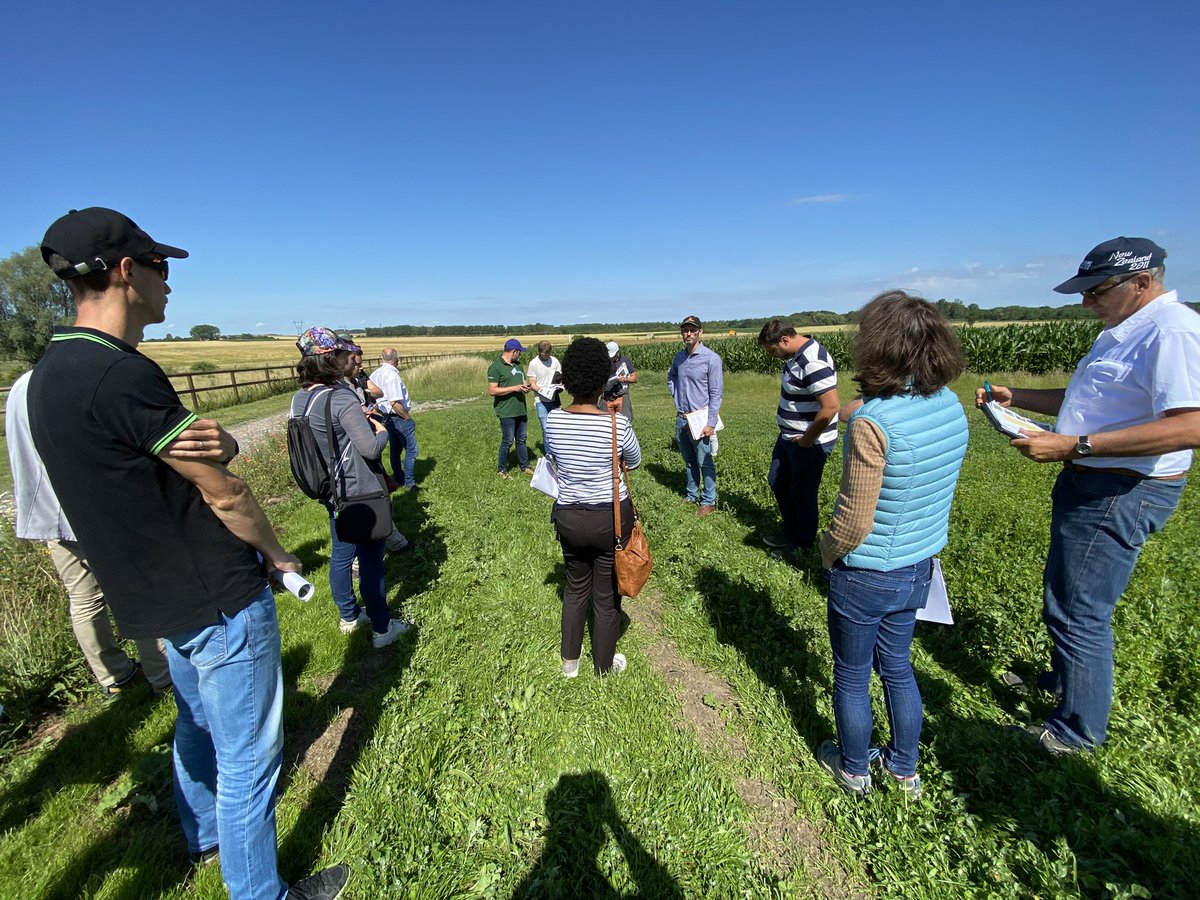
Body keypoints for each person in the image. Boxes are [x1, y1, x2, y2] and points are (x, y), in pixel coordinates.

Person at [29, 207, 347, 899]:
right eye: (159, 266)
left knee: (196, 723)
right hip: (215, 591)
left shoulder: (48, 375)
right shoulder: (121, 374)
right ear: (125, 271)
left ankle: (204, 834)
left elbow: (190, 451)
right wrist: (279, 555)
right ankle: (262, 892)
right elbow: (223, 490)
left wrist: (221, 442)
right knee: (249, 758)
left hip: (150, 595)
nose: (168, 282)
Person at [977, 237, 1200, 755]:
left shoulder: (1173, 333)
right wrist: (1020, 398)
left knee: (1078, 608)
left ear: (1142, 282)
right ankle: (1063, 680)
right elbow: (1094, 399)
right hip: (1092, 476)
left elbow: (1190, 426)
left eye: (1096, 291)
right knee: (1066, 592)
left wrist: (1075, 445)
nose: (1086, 303)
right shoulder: (1121, 331)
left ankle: (1076, 731)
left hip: (1122, 487)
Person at [817, 291, 968, 799]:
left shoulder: (872, 423)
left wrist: (828, 551)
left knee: (853, 674)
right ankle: (905, 769)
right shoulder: (948, 405)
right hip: (918, 564)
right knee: (898, 666)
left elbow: (855, 519)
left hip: (866, 571)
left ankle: (854, 768)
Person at [7, 369, 178, 698]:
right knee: (137, 584)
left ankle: (113, 675)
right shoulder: (68, 379)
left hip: (52, 510)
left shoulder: (19, 388)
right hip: (94, 507)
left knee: (84, 597)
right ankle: (162, 673)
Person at [291, 327, 410, 646]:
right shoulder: (340, 396)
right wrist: (380, 428)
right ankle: (382, 629)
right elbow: (370, 448)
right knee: (372, 562)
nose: (347, 358)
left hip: (329, 488)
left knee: (341, 554)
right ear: (330, 358)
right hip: (359, 489)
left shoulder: (301, 397)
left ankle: (349, 615)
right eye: (341, 353)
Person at [543, 338, 642, 676]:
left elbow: (555, 460)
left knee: (574, 588)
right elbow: (635, 461)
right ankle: (603, 666)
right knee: (606, 593)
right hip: (609, 518)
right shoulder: (617, 424)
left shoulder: (553, 421)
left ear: (567, 381)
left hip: (569, 515)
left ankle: (569, 664)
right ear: (603, 381)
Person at [757, 320, 841, 556]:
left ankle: (802, 545)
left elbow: (831, 407)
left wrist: (806, 440)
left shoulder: (812, 361)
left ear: (784, 340)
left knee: (803, 493)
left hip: (809, 443)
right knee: (778, 480)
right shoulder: (794, 356)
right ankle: (791, 530)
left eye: (772, 350)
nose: (772, 356)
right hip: (789, 438)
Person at [666, 316, 723, 516]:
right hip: (681, 417)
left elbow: (716, 394)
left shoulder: (711, 359)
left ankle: (708, 500)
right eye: (685, 330)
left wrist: (711, 422)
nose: (688, 334)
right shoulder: (679, 358)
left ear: (700, 332)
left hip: (700, 418)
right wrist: (674, 392)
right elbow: (671, 375)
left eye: (692, 330)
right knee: (689, 460)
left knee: (704, 461)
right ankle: (691, 495)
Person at [370, 347, 419, 490]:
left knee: (395, 449)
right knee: (412, 449)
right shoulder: (392, 376)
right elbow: (394, 402)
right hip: (397, 416)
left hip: (385, 415)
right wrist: (407, 418)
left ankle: (398, 477)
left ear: (381, 358)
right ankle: (409, 482)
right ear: (397, 360)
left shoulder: (375, 374)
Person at [488, 338, 534, 478]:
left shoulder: (519, 366)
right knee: (508, 440)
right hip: (506, 411)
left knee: (522, 439)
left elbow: (522, 383)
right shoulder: (496, 367)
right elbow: (493, 391)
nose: (520, 355)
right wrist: (514, 388)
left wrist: (525, 388)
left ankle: (524, 465)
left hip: (520, 409)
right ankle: (502, 469)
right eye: (519, 352)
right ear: (514, 351)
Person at [526, 341, 563, 437]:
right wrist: (543, 391)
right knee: (546, 429)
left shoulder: (555, 361)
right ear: (539, 352)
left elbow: (559, 378)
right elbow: (532, 384)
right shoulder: (534, 363)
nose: (545, 357)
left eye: (548, 354)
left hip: (554, 400)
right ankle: (548, 452)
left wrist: (559, 386)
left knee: (556, 428)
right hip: (541, 401)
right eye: (543, 355)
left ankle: (556, 451)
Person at [606, 341, 638, 421]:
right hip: (606, 398)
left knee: (624, 421)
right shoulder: (604, 362)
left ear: (617, 352)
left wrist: (625, 379)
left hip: (622, 396)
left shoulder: (625, 360)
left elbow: (634, 378)